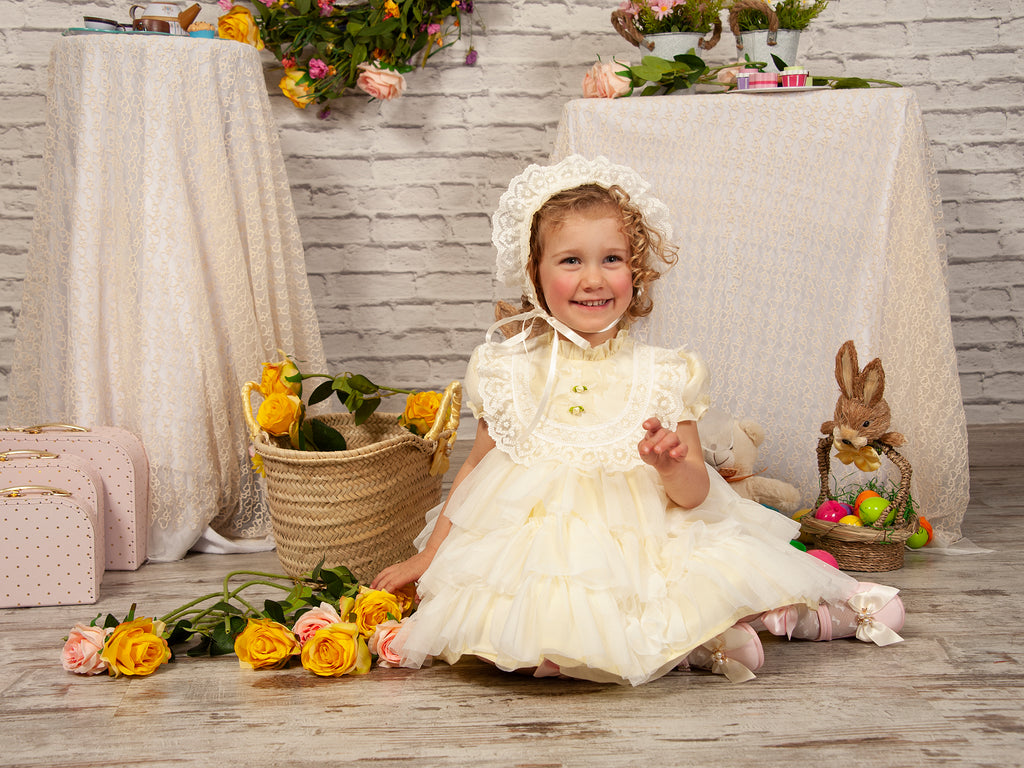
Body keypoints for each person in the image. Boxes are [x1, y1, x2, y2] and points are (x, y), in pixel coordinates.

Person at [372, 155, 905, 686]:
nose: (593, 279)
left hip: (644, 540)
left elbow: (694, 495)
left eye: (612, 259)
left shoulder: (665, 373)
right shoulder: (506, 370)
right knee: (509, 629)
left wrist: (670, 466)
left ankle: (791, 616)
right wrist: (432, 556)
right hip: (533, 546)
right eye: (571, 261)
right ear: (534, 273)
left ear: (636, 270)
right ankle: (700, 645)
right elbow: (475, 469)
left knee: (692, 576)